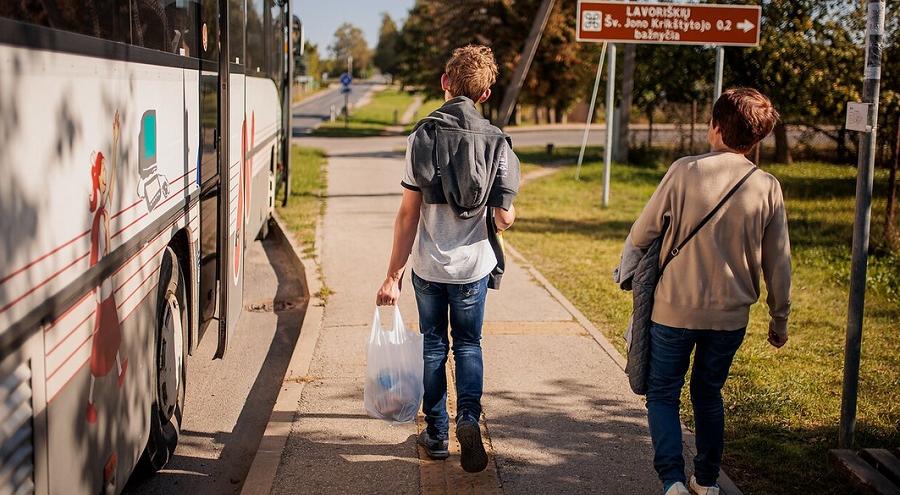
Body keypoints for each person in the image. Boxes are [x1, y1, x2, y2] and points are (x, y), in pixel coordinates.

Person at [624, 88, 791, 495]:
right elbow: (779, 262)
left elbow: (643, 232)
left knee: (663, 394)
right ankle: (708, 480)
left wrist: (627, 272)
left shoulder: (684, 171)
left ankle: (673, 481)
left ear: (715, 126)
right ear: (756, 139)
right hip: (730, 316)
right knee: (708, 394)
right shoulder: (767, 186)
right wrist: (779, 318)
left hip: (673, 310)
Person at [375, 44, 520, 473]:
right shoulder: (497, 141)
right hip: (473, 267)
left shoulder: (422, 136)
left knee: (434, 345)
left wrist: (392, 276)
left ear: (444, 83)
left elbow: (408, 213)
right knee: (470, 345)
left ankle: (436, 434)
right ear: (486, 94)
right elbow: (504, 217)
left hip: (428, 267)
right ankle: (469, 420)